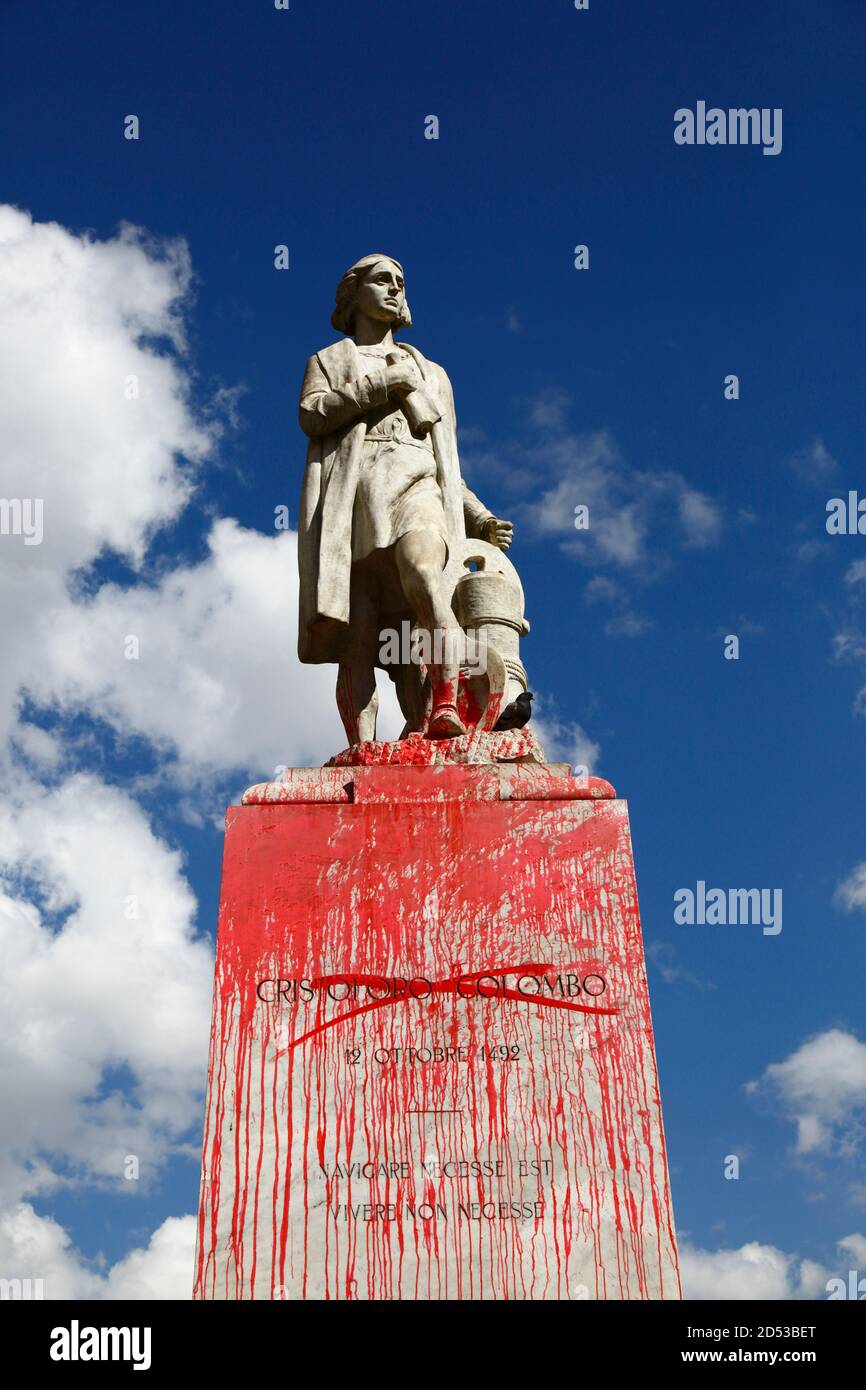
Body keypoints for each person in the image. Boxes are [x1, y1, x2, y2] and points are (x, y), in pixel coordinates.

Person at [297, 253, 513, 743]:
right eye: (381, 280)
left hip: (418, 489)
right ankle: (363, 748)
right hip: (354, 499)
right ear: (354, 294)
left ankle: (445, 705)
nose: (395, 288)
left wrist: (478, 516)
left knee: (424, 576)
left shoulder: (431, 372)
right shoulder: (328, 361)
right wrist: (382, 384)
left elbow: (445, 461)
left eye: (400, 281)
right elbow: (313, 415)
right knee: (363, 632)